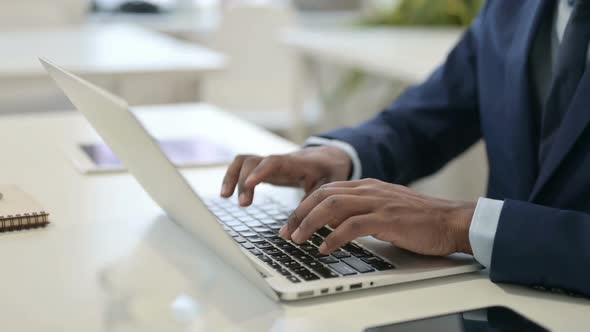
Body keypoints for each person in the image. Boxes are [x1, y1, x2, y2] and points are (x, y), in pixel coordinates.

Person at [221, 0, 590, 297]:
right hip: (498, 302)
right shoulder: (512, 7)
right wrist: (338, 157)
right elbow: (430, 115)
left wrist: (460, 225)